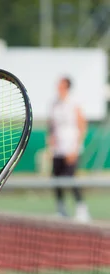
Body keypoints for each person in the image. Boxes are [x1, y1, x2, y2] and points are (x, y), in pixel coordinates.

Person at [47, 76, 90, 223]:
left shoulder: (74, 103)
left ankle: (81, 209)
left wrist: (75, 148)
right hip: (57, 149)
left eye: (61, 85)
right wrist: (51, 143)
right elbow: (51, 126)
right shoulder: (54, 104)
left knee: (70, 178)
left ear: (67, 87)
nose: (59, 87)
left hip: (71, 147)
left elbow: (82, 126)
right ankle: (61, 209)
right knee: (56, 177)